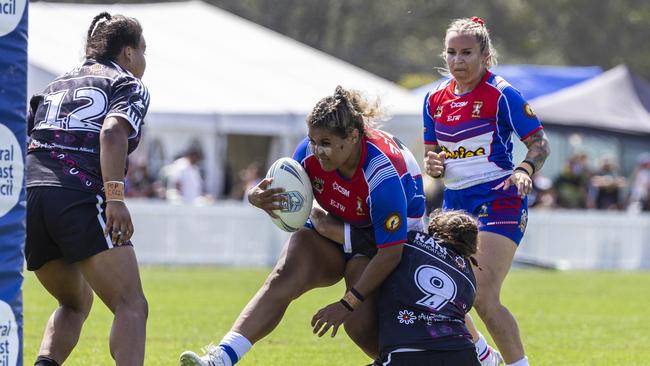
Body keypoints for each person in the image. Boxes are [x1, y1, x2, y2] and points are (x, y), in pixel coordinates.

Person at [179, 85, 426, 366]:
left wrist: (347, 303)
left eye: (326, 143)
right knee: (284, 275)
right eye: (313, 140)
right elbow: (285, 194)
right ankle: (221, 358)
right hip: (336, 228)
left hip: (391, 242)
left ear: (354, 137)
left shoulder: (382, 174)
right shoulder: (308, 153)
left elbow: (391, 251)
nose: (317, 150)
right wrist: (257, 197)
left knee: (359, 323)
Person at [423, 17, 551, 366]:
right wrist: (433, 166)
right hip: (454, 205)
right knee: (443, 289)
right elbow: (432, 155)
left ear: (486, 56)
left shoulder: (502, 94)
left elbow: (539, 144)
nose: (458, 60)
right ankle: (484, 356)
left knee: (481, 294)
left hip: (500, 199)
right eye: (451, 52)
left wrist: (525, 170)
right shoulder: (433, 99)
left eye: (466, 52)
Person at [25, 12, 149, 366]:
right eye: (143, 50)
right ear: (128, 53)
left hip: (31, 197)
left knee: (75, 302)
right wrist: (115, 197)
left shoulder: (54, 85)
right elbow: (111, 133)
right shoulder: (126, 83)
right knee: (132, 305)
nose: (144, 60)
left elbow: (26, 140)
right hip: (78, 195)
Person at [311, 209, 482, 366]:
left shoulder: (406, 241)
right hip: (464, 355)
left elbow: (327, 228)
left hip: (407, 356)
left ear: (436, 229)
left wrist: (311, 209)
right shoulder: (469, 278)